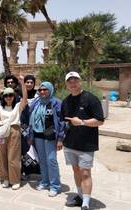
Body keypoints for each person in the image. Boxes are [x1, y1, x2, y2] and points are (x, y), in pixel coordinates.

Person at [61, 71, 104, 210]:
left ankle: (86, 202)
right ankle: (80, 196)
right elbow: (64, 121)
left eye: (75, 80)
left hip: (86, 144)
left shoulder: (91, 99)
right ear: (66, 84)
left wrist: (82, 122)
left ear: (80, 82)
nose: (73, 83)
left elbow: (100, 121)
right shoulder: (66, 101)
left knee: (85, 172)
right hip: (70, 143)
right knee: (76, 170)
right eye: (70, 81)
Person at [28, 81, 65, 197]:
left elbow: (62, 122)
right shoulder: (36, 102)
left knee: (51, 160)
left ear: (50, 90)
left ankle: (55, 186)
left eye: (45, 89)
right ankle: (45, 181)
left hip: (50, 136)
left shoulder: (56, 103)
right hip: (38, 134)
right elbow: (30, 117)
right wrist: (30, 135)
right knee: (42, 160)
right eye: (40, 90)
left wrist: (60, 139)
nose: (42, 92)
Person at [0, 76, 27, 190]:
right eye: (6, 95)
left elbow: (25, 99)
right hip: (2, 132)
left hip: (14, 131)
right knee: (2, 157)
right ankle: (5, 178)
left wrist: (22, 83)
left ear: (14, 96)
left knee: (13, 157)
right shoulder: (0, 108)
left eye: (11, 95)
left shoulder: (17, 107)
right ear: (3, 97)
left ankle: (15, 180)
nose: (8, 97)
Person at [20, 75, 40, 179]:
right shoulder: (20, 94)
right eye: (27, 82)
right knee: (25, 148)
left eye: (31, 82)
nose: (29, 84)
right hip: (23, 125)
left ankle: (37, 171)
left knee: (35, 147)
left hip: (35, 125)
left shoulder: (38, 94)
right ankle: (26, 172)